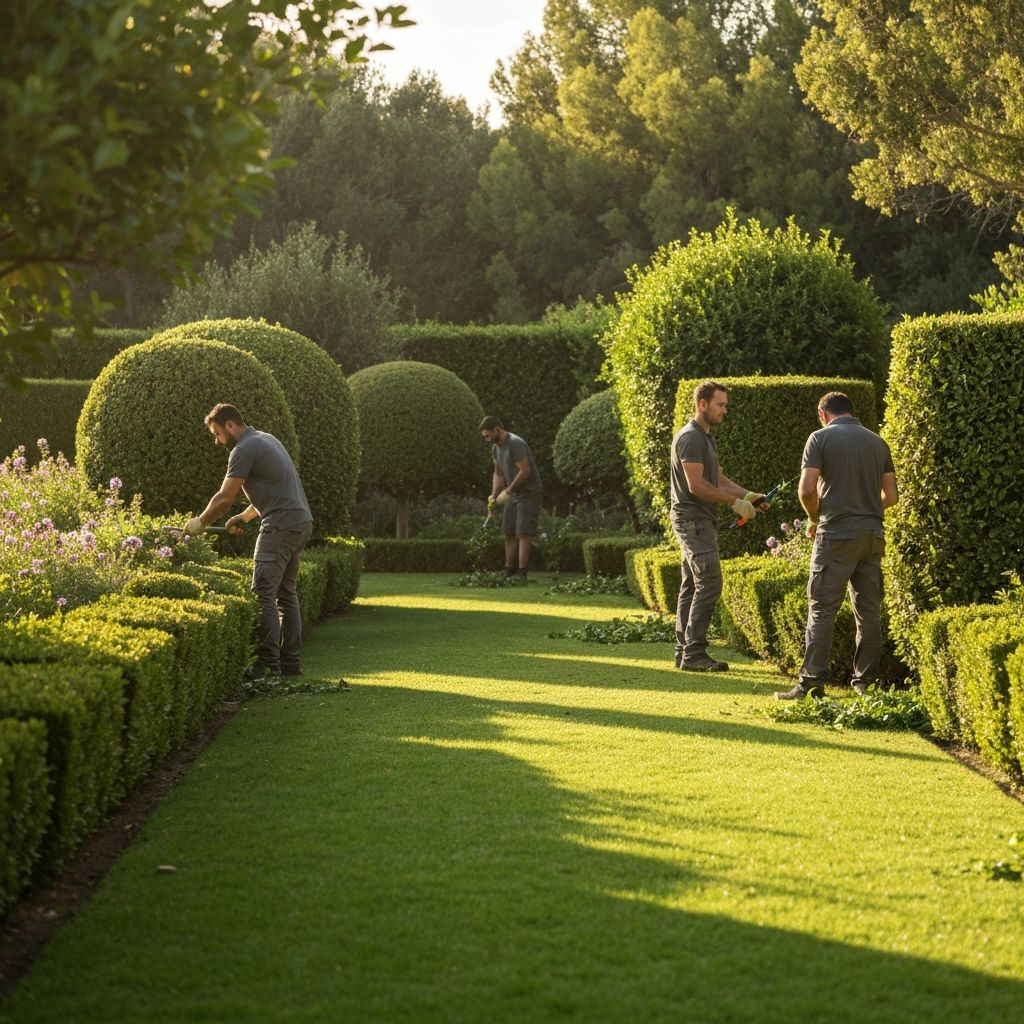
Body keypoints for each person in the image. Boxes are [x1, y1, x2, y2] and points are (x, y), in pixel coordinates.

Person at [774, 392, 899, 700]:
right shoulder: (877, 442)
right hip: (872, 536)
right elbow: (892, 497)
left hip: (836, 536)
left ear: (823, 414)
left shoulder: (819, 439)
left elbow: (805, 490)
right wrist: (866, 512)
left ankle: (811, 684)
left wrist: (815, 518)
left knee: (822, 609)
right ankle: (866, 686)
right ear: (851, 412)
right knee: (868, 614)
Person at [184, 403, 314, 679]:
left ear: (230, 425)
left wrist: (199, 523)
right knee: (285, 594)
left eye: (217, 433)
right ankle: (289, 664)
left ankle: (268, 666)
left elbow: (224, 498)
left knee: (263, 593)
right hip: (300, 521)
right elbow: (276, 491)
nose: (217, 440)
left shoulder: (243, 449)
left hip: (280, 524)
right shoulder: (266, 439)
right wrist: (244, 516)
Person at [671, 381, 767, 672]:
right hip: (693, 520)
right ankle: (693, 653)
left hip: (698, 520)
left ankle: (683, 651)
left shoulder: (706, 439)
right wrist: (733, 504)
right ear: (703, 404)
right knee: (710, 583)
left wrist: (749, 496)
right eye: (720, 404)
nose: (725, 410)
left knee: (692, 585)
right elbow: (696, 485)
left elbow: (719, 480)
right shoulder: (691, 438)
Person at [479, 416, 542, 582]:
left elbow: (525, 471)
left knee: (523, 532)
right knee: (508, 531)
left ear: (497, 429)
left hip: (528, 492)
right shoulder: (495, 448)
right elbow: (498, 473)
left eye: (488, 435)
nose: (487, 439)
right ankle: (509, 570)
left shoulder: (515, 443)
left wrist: (508, 491)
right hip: (513, 493)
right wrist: (494, 495)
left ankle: (521, 573)